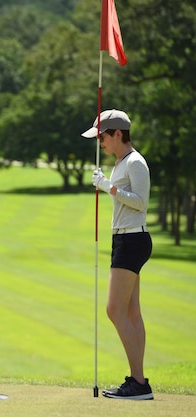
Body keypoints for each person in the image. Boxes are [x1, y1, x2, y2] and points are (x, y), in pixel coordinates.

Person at [82, 109, 153, 400]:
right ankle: (139, 382)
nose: (100, 142)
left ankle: (138, 381)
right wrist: (108, 183)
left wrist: (108, 188)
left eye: (103, 136)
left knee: (114, 310)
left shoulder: (135, 162)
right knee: (131, 312)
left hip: (132, 240)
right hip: (126, 239)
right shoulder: (121, 162)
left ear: (117, 135)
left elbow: (141, 203)